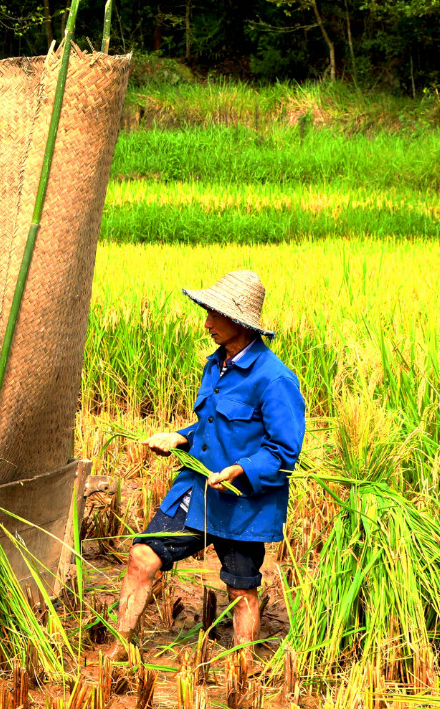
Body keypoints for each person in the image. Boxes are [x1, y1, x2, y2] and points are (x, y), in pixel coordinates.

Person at [106, 270, 305, 660]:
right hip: (198, 491)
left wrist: (240, 470)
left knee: (241, 588)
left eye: (215, 314)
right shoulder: (216, 365)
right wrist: (181, 437)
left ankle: (243, 666)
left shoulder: (275, 379)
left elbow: (284, 450)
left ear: (240, 322)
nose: (207, 323)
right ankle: (120, 646)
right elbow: (211, 425)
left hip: (243, 501)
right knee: (142, 556)